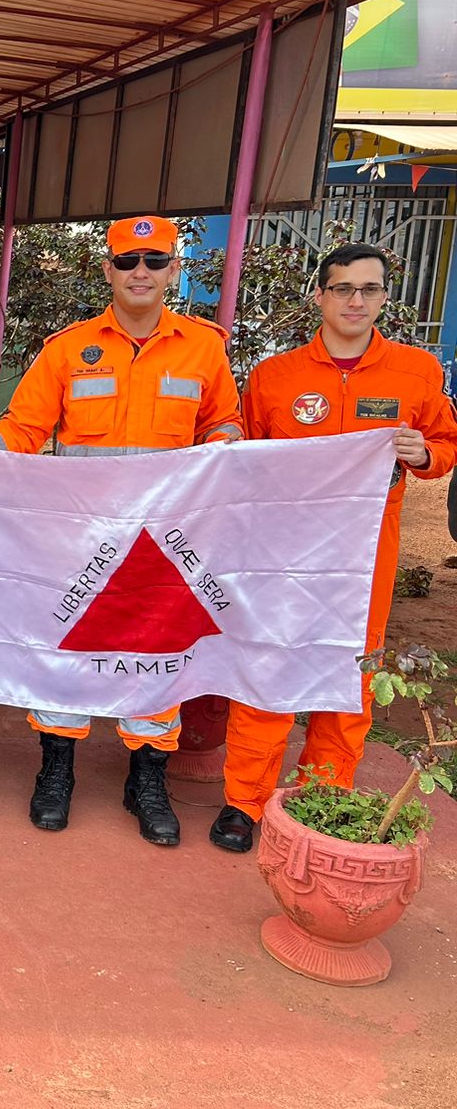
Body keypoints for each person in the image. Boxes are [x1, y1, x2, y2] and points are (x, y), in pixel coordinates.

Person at [0, 215, 242, 846]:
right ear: (108, 271)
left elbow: (223, 422)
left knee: (158, 654)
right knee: (69, 644)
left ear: (173, 269)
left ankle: (146, 777)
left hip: (164, 541)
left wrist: (226, 442)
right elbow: (24, 429)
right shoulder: (68, 348)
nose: (140, 272)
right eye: (127, 262)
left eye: (153, 261)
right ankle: (56, 769)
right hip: (83, 537)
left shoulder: (205, 347)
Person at [214, 243, 457, 852]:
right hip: (282, 553)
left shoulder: (418, 373)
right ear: (320, 296)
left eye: (369, 289)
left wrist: (425, 455)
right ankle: (244, 803)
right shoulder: (275, 376)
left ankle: (321, 794)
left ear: (383, 298)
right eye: (344, 288)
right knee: (268, 668)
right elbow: (247, 466)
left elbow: (446, 444)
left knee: (349, 675)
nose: (356, 300)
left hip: (367, 556)